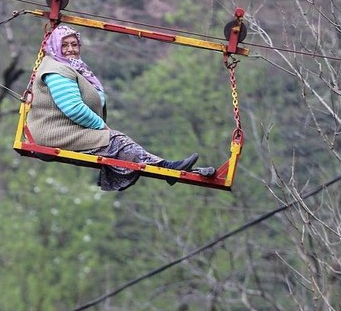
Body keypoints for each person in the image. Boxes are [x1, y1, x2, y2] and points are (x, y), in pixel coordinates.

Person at [26, 24, 209, 191]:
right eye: (64, 45)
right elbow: (73, 108)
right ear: (55, 47)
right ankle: (166, 168)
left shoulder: (72, 68)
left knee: (116, 141)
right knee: (116, 140)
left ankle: (169, 168)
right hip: (53, 134)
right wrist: (100, 126)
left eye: (74, 44)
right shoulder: (57, 70)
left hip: (64, 130)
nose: (71, 49)